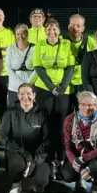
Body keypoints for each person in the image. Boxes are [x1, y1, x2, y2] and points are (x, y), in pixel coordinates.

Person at [32, 18, 75, 169]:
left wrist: (63, 87)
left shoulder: (66, 44)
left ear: (59, 30)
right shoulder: (40, 45)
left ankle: (62, 158)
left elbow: (70, 67)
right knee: (48, 125)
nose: (52, 32)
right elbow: (38, 67)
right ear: (45, 32)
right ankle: (49, 159)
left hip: (64, 90)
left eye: (54, 28)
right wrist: (51, 87)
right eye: (48, 29)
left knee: (63, 126)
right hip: (44, 89)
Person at [1, 83, 50, 193]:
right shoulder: (10, 112)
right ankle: (16, 183)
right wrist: (25, 154)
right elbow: (4, 137)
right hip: (17, 152)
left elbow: (48, 140)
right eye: (22, 93)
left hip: (37, 154)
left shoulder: (42, 113)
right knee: (17, 165)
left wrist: (33, 161)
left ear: (34, 95)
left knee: (41, 181)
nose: (25, 97)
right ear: (18, 96)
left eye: (29, 93)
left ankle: (34, 182)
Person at [62, 91, 97, 193]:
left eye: (90, 105)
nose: (86, 108)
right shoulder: (69, 120)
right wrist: (79, 167)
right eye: (83, 104)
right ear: (78, 105)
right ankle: (79, 179)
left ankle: (96, 185)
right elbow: (68, 147)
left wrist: (82, 159)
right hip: (77, 155)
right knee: (67, 175)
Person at [62, 14, 97, 110]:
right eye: (73, 25)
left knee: (84, 112)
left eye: (78, 26)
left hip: (83, 82)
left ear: (83, 28)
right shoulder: (61, 40)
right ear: (68, 26)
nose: (75, 28)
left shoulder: (90, 41)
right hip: (66, 82)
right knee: (66, 112)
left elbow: (95, 63)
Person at [5, 24, 36, 109]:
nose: (20, 36)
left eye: (23, 33)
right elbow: (8, 68)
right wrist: (21, 85)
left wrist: (28, 84)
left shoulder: (35, 48)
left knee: (30, 112)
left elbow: (37, 69)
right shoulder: (11, 48)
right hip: (14, 88)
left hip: (31, 88)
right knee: (14, 113)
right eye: (18, 34)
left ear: (28, 34)